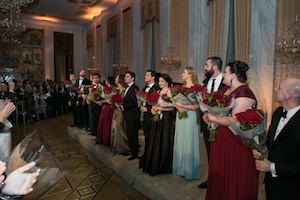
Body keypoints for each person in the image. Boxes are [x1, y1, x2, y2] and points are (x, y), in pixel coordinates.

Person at [204, 61, 259, 200]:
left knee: (233, 174)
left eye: (226, 72)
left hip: (235, 140)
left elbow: (235, 120)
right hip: (221, 137)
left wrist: (213, 118)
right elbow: (217, 110)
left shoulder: (244, 93)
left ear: (233, 75)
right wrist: (208, 115)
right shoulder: (224, 90)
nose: (223, 75)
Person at [253, 78, 300, 200]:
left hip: (292, 188)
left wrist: (272, 167)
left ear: (288, 95)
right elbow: (272, 140)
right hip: (272, 184)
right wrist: (262, 148)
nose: (275, 89)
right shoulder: (278, 112)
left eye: (279, 88)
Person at [139, 74, 175, 176]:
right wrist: (154, 108)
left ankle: (164, 164)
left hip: (166, 119)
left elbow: (172, 108)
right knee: (155, 138)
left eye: (162, 81)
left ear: (167, 82)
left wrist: (159, 108)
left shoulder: (170, 92)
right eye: (159, 81)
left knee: (164, 139)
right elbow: (154, 104)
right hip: (158, 118)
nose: (160, 83)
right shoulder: (158, 92)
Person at [198, 56, 225, 188]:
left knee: (221, 152)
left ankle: (223, 180)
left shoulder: (226, 83)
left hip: (221, 123)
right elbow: (202, 100)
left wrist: (215, 116)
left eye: (206, 65)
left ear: (215, 67)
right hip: (206, 120)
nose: (204, 68)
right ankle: (212, 179)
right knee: (209, 151)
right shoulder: (205, 81)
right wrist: (204, 113)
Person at [172, 67, 201, 180]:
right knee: (180, 140)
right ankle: (180, 168)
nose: (182, 74)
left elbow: (196, 107)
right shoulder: (181, 88)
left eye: (184, 72)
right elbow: (174, 101)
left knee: (189, 141)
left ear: (190, 74)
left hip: (191, 117)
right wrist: (177, 106)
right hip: (181, 117)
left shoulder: (196, 88)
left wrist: (181, 106)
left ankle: (189, 170)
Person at [121, 71, 140, 160]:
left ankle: (134, 152)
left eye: (128, 76)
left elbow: (134, 102)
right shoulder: (127, 88)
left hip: (133, 115)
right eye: (125, 76)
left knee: (133, 134)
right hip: (128, 115)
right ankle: (132, 150)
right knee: (129, 134)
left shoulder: (134, 88)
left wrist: (123, 106)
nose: (125, 78)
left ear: (132, 78)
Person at [110, 74, 130, 155]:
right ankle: (115, 146)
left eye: (117, 78)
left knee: (119, 127)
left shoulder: (124, 90)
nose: (115, 79)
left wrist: (119, 105)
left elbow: (125, 101)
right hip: (116, 110)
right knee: (114, 128)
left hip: (120, 111)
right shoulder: (116, 89)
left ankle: (123, 147)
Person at [140, 70, 160, 147]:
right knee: (146, 136)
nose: (145, 76)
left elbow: (158, 103)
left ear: (153, 77)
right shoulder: (144, 88)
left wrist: (147, 109)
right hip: (144, 115)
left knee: (153, 137)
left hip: (152, 115)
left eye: (147, 75)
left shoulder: (157, 89)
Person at [96, 77, 115, 145]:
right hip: (106, 107)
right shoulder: (106, 89)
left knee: (107, 123)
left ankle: (107, 139)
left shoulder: (113, 90)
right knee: (104, 123)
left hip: (109, 108)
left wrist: (107, 100)